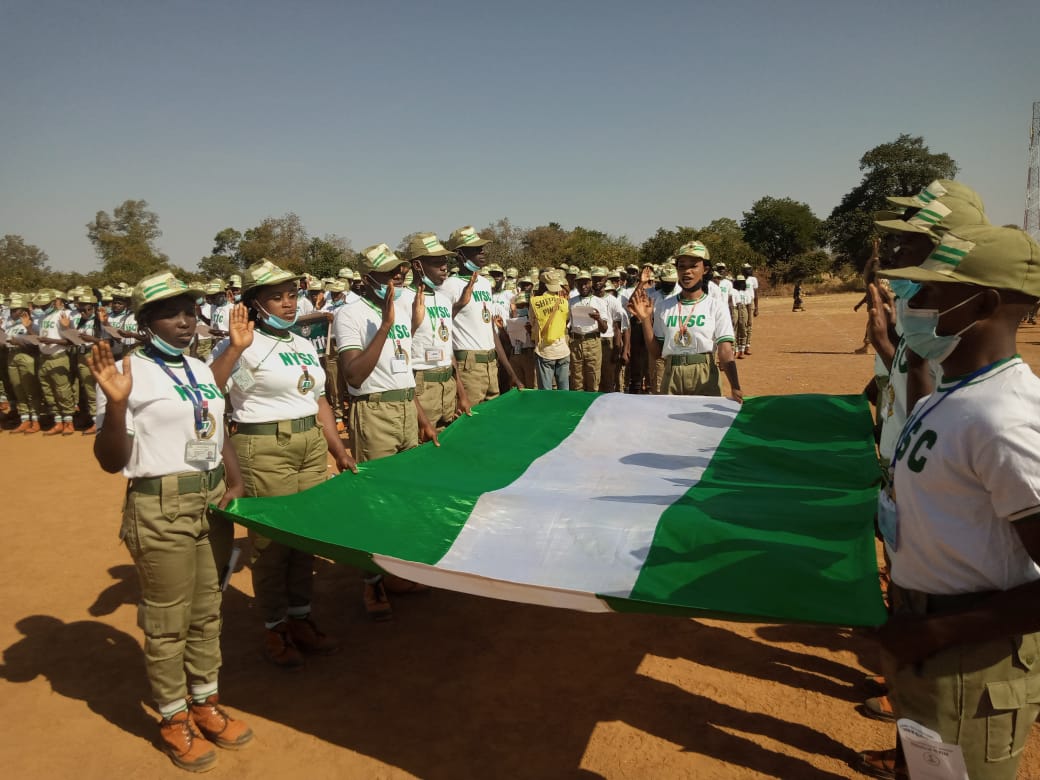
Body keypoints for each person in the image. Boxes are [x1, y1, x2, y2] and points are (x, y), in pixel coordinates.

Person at [855, 225, 1040, 780]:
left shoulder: (1005, 419)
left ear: (982, 302)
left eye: (932, 292)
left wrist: (936, 632)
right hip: (930, 642)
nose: (915, 302)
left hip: (971, 660)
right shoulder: (954, 394)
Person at [90, 271, 252, 772]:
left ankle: (205, 703)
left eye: (190, 310)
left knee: (207, 611)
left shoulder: (199, 368)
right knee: (167, 621)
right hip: (159, 506)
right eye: (171, 312)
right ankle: (172, 717)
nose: (185, 321)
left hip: (206, 501)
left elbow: (211, 422)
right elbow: (110, 460)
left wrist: (233, 475)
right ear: (144, 322)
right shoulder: (124, 373)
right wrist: (116, 408)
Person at [210, 259, 356, 668]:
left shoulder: (302, 343)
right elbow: (209, 390)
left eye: (291, 295)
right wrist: (236, 347)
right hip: (263, 446)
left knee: (304, 537)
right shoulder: (239, 343)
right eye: (276, 297)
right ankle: (275, 627)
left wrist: (337, 449)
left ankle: (301, 619)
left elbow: (320, 400)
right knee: (271, 545)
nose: (288, 304)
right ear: (254, 303)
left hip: (309, 444)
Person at [333, 244, 439, 620]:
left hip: (406, 408)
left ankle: (400, 572)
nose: (398, 278)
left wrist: (422, 416)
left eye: (400, 272)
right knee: (377, 501)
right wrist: (386, 326)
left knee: (407, 496)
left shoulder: (399, 308)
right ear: (366, 279)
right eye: (388, 273)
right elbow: (353, 374)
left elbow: (402, 370)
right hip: (374, 411)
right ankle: (372, 582)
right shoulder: (349, 314)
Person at [626, 241, 742, 400]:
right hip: (671, 372)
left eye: (693, 266)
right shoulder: (664, 306)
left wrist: (735, 386)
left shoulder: (716, 306)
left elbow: (725, 350)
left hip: (704, 373)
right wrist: (646, 320)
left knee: (705, 423)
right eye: (681, 266)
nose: (687, 271)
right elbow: (656, 352)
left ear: (705, 269)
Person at [440, 226, 523, 404]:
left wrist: (511, 373)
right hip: (468, 367)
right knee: (471, 424)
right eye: (476, 249)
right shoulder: (449, 286)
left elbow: (490, 331)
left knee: (490, 422)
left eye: (482, 248)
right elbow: (440, 329)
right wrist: (460, 304)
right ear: (461, 255)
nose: (482, 252)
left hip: (491, 365)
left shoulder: (485, 284)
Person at [405, 232, 471, 430]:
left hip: (447, 385)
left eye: (445, 261)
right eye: (437, 262)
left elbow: (448, 351)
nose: (445, 267)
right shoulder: (401, 301)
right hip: (422, 387)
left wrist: (461, 393)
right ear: (418, 265)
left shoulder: (443, 299)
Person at [34, 289, 77, 434]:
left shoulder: (63, 315)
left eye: (45, 304)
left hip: (58, 357)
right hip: (44, 358)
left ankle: (69, 422)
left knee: (62, 391)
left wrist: (51, 340)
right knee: (48, 391)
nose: (43, 307)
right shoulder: (42, 318)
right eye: (41, 305)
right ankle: (58, 421)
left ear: (54, 302)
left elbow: (71, 341)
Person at [4, 293, 44, 433]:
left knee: (30, 390)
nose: (13, 313)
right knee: (18, 389)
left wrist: (20, 341)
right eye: (11, 310)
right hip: (11, 356)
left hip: (26, 356)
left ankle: (36, 419)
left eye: (16, 310)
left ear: (24, 310)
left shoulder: (34, 323)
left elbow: (37, 343)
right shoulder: (9, 324)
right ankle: (25, 419)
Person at [567, 269, 609, 391]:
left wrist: (598, 319)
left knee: (593, 378)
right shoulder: (571, 302)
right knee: (576, 379)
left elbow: (604, 329)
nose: (583, 286)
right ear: (576, 285)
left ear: (591, 283)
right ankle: (579, 409)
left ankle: (592, 406)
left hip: (593, 342)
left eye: (586, 283)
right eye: (580, 283)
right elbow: (566, 323)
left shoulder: (599, 302)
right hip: (576, 342)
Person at [529, 270, 571, 390]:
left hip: (545, 352)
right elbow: (566, 320)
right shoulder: (564, 301)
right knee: (564, 391)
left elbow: (532, 322)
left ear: (542, 285)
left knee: (546, 393)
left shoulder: (534, 302)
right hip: (563, 350)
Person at [741, 263, 759, 355]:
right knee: (742, 324)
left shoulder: (753, 280)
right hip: (741, 302)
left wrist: (756, 308)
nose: (749, 270)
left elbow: (756, 294)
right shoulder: (740, 279)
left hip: (750, 302)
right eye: (746, 269)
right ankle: (741, 346)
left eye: (749, 269)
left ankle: (747, 346)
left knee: (749, 324)